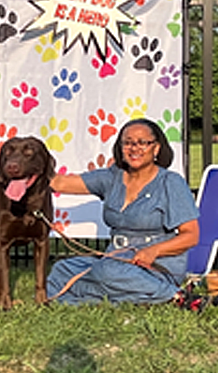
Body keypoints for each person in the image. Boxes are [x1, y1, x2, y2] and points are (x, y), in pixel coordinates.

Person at [45, 118, 199, 305]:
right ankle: (123, 299)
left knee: (108, 272)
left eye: (143, 142)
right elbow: (59, 183)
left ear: (156, 148)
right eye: (128, 143)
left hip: (153, 266)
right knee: (63, 270)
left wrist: (153, 251)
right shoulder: (111, 177)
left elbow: (191, 236)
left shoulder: (171, 182)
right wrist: (5, 176)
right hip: (116, 259)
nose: (134, 148)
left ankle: (172, 295)